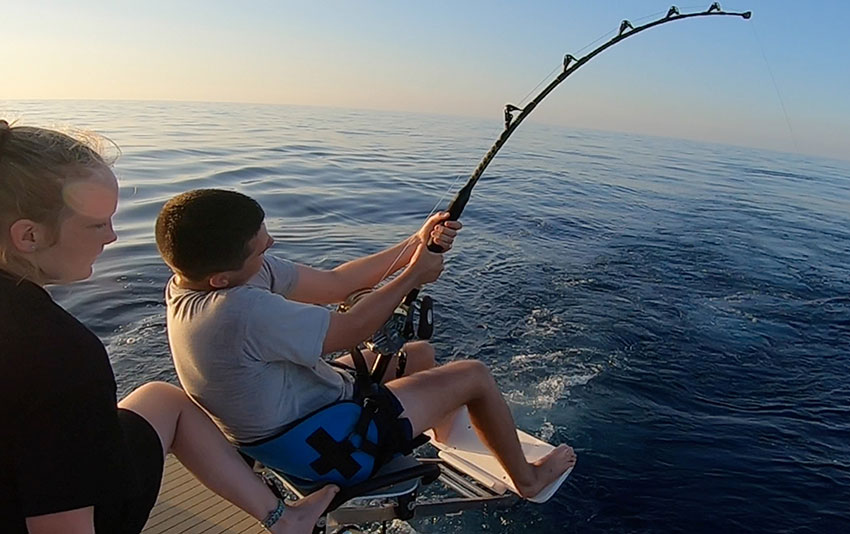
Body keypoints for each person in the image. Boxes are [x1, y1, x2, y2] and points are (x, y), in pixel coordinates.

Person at [0, 120, 338, 534]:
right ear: (29, 236)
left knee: (163, 400)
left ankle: (282, 518)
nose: (112, 237)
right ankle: (284, 519)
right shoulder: (58, 353)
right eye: (96, 224)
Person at [156, 188, 577, 500]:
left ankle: (436, 426)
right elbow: (353, 327)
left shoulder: (199, 280)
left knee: (420, 355)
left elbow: (340, 283)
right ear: (221, 280)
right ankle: (528, 480)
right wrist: (414, 275)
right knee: (474, 376)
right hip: (323, 444)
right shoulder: (236, 311)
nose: (270, 244)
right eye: (260, 245)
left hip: (291, 411)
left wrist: (417, 242)